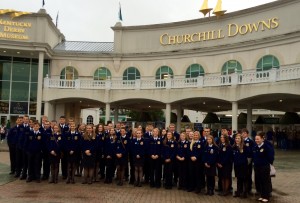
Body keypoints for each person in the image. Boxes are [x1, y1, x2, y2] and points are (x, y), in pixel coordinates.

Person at [253, 131, 274, 203]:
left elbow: (270, 157)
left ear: (262, 139)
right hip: (257, 167)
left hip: (264, 167)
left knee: (265, 182)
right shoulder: (255, 147)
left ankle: (266, 196)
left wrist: (267, 163)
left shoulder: (266, 147)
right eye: (255, 139)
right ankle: (262, 195)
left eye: (258, 139)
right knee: (260, 182)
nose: (256, 140)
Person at [232, 133, 251, 198]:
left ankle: (244, 193)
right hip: (237, 166)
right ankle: (239, 192)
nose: (237, 139)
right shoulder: (234, 147)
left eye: (238, 138)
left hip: (243, 166)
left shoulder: (245, 147)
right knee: (239, 179)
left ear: (241, 139)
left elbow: (249, 154)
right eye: (236, 138)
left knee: (244, 179)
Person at [241, 128, 255, 194]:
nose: (243, 134)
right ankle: (242, 188)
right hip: (241, 161)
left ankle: (248, 188)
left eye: (245, 133)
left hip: (248, 161)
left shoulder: (250, 141)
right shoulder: (240, 141)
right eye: (242, 133)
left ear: (247, 134)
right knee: (242, 175)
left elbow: (252, 151)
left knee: (248, 175)